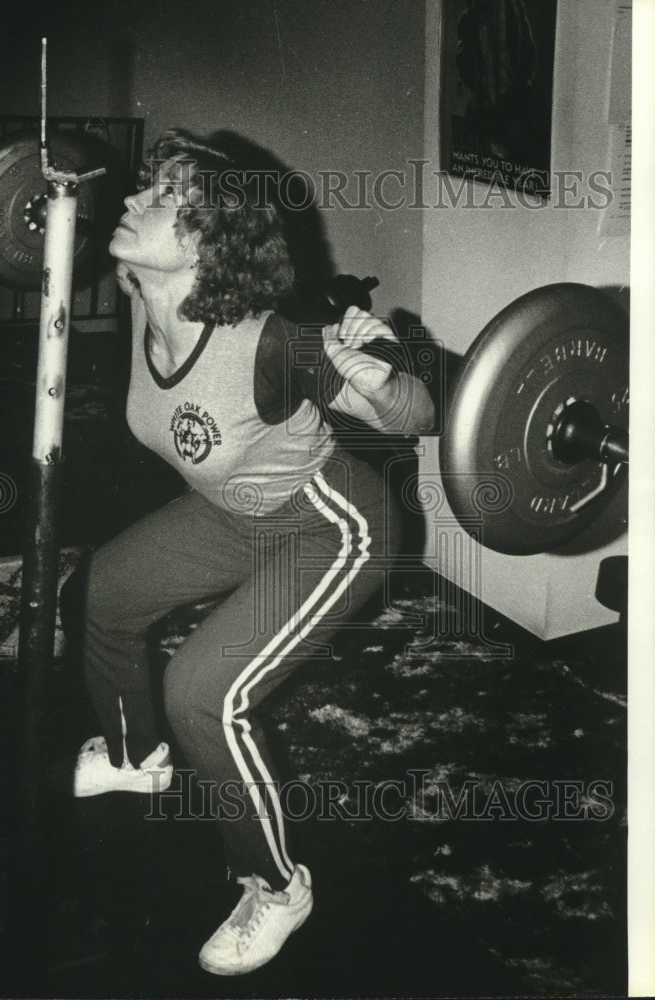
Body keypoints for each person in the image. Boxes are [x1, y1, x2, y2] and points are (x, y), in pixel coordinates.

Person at [71, 129, 434, 976]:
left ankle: (274, 887)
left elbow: (417, 415)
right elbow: (50, 219)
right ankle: (133, 757)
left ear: (210, 242)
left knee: (203, 691)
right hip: (228, 511)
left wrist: (384, 381)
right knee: (105, 593)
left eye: (163, 198)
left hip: (328, 521)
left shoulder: (271, 344)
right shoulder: (139, 287)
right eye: (145, 187)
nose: (134, 200)